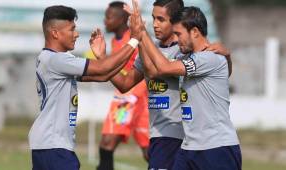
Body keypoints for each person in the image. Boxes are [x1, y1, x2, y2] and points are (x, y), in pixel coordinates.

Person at [81, 0, 231, 169]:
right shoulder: (151, 49)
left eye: (161, 19)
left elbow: (155, 71)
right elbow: (125, 83)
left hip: (178, 136)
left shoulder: (185, 51)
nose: (155, 25)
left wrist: (141, 34)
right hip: (158, 134)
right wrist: (102, 58)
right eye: (153, 18)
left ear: (175, 21)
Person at [28, 5, 142, 170]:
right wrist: (135, 39)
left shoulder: (51, 59)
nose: (77, 34)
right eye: (72, 29)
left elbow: (103, 75)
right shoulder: (57, 60)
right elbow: (103, 69)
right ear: (55, 33)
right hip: (54, 145)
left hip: (48, 144)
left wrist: (102, 57)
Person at [131, 4, 241, 170]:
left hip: (217, 147)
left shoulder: (208, 58)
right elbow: (155, 70)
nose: (176, 39)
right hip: (189, 148)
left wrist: (142, 33)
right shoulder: (187, 57)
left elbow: (164, 68)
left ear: (195, 32)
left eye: (178, 34)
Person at [96, 2, 149, 170]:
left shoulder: (133, 39)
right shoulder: (113, 41)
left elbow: (146, 67)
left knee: (109, 143)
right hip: (126, 97)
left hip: (135, 98)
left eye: (109, 17)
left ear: (121, 19)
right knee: (108, 143)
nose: (105, 21)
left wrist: (134, 94)